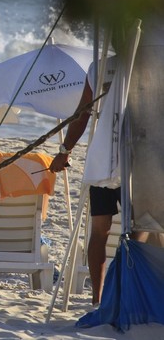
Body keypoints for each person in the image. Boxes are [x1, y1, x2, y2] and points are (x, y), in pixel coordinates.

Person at [49, 55, 146, 306]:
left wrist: (64, 151)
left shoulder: (99, 67)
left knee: (101, 231)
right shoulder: (147, 61)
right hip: (131, 159)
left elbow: (82, 116)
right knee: (137, 229)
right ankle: (108, 298)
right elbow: (82, 115)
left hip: (105, 157)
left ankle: (100, 298)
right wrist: (64, 151)